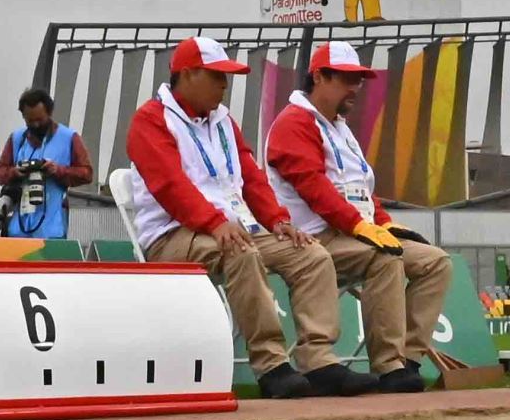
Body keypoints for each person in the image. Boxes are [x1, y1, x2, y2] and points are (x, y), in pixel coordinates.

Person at [126, 36, 377, 399]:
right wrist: (214, 222)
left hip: (233, 228)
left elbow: (251, 176)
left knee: (311, 255)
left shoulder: (222, 119)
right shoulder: (150, 120)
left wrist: (277, 220)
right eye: (217, 76)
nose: (224, 86)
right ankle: (271, 365)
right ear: (188, 74)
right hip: (173, 235)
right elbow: (170, 186)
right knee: (242, 253)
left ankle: (319, 361)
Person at [267, 41, 451, 393]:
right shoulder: (294, 122)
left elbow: (361, 189)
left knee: (435, 263)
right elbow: (314, 188)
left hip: (354, 232)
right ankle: (388, 366)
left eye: (359, 80)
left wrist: (383, 222)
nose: (355, 89)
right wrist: (360, 225)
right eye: (347, 80)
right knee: (385, 257)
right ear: (319, 77)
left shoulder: (339, 127)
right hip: (314, 235)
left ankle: (407, 361)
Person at [0, 88, 93, 238]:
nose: (36, 125)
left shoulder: (69, 137)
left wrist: (58, 170)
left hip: (52, 230)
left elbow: (87, 173)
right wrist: (14, 172)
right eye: (30, 121)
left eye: (40, 119)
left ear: (50, 113)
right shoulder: (17, 139)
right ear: (23, 116)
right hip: (17, 229)